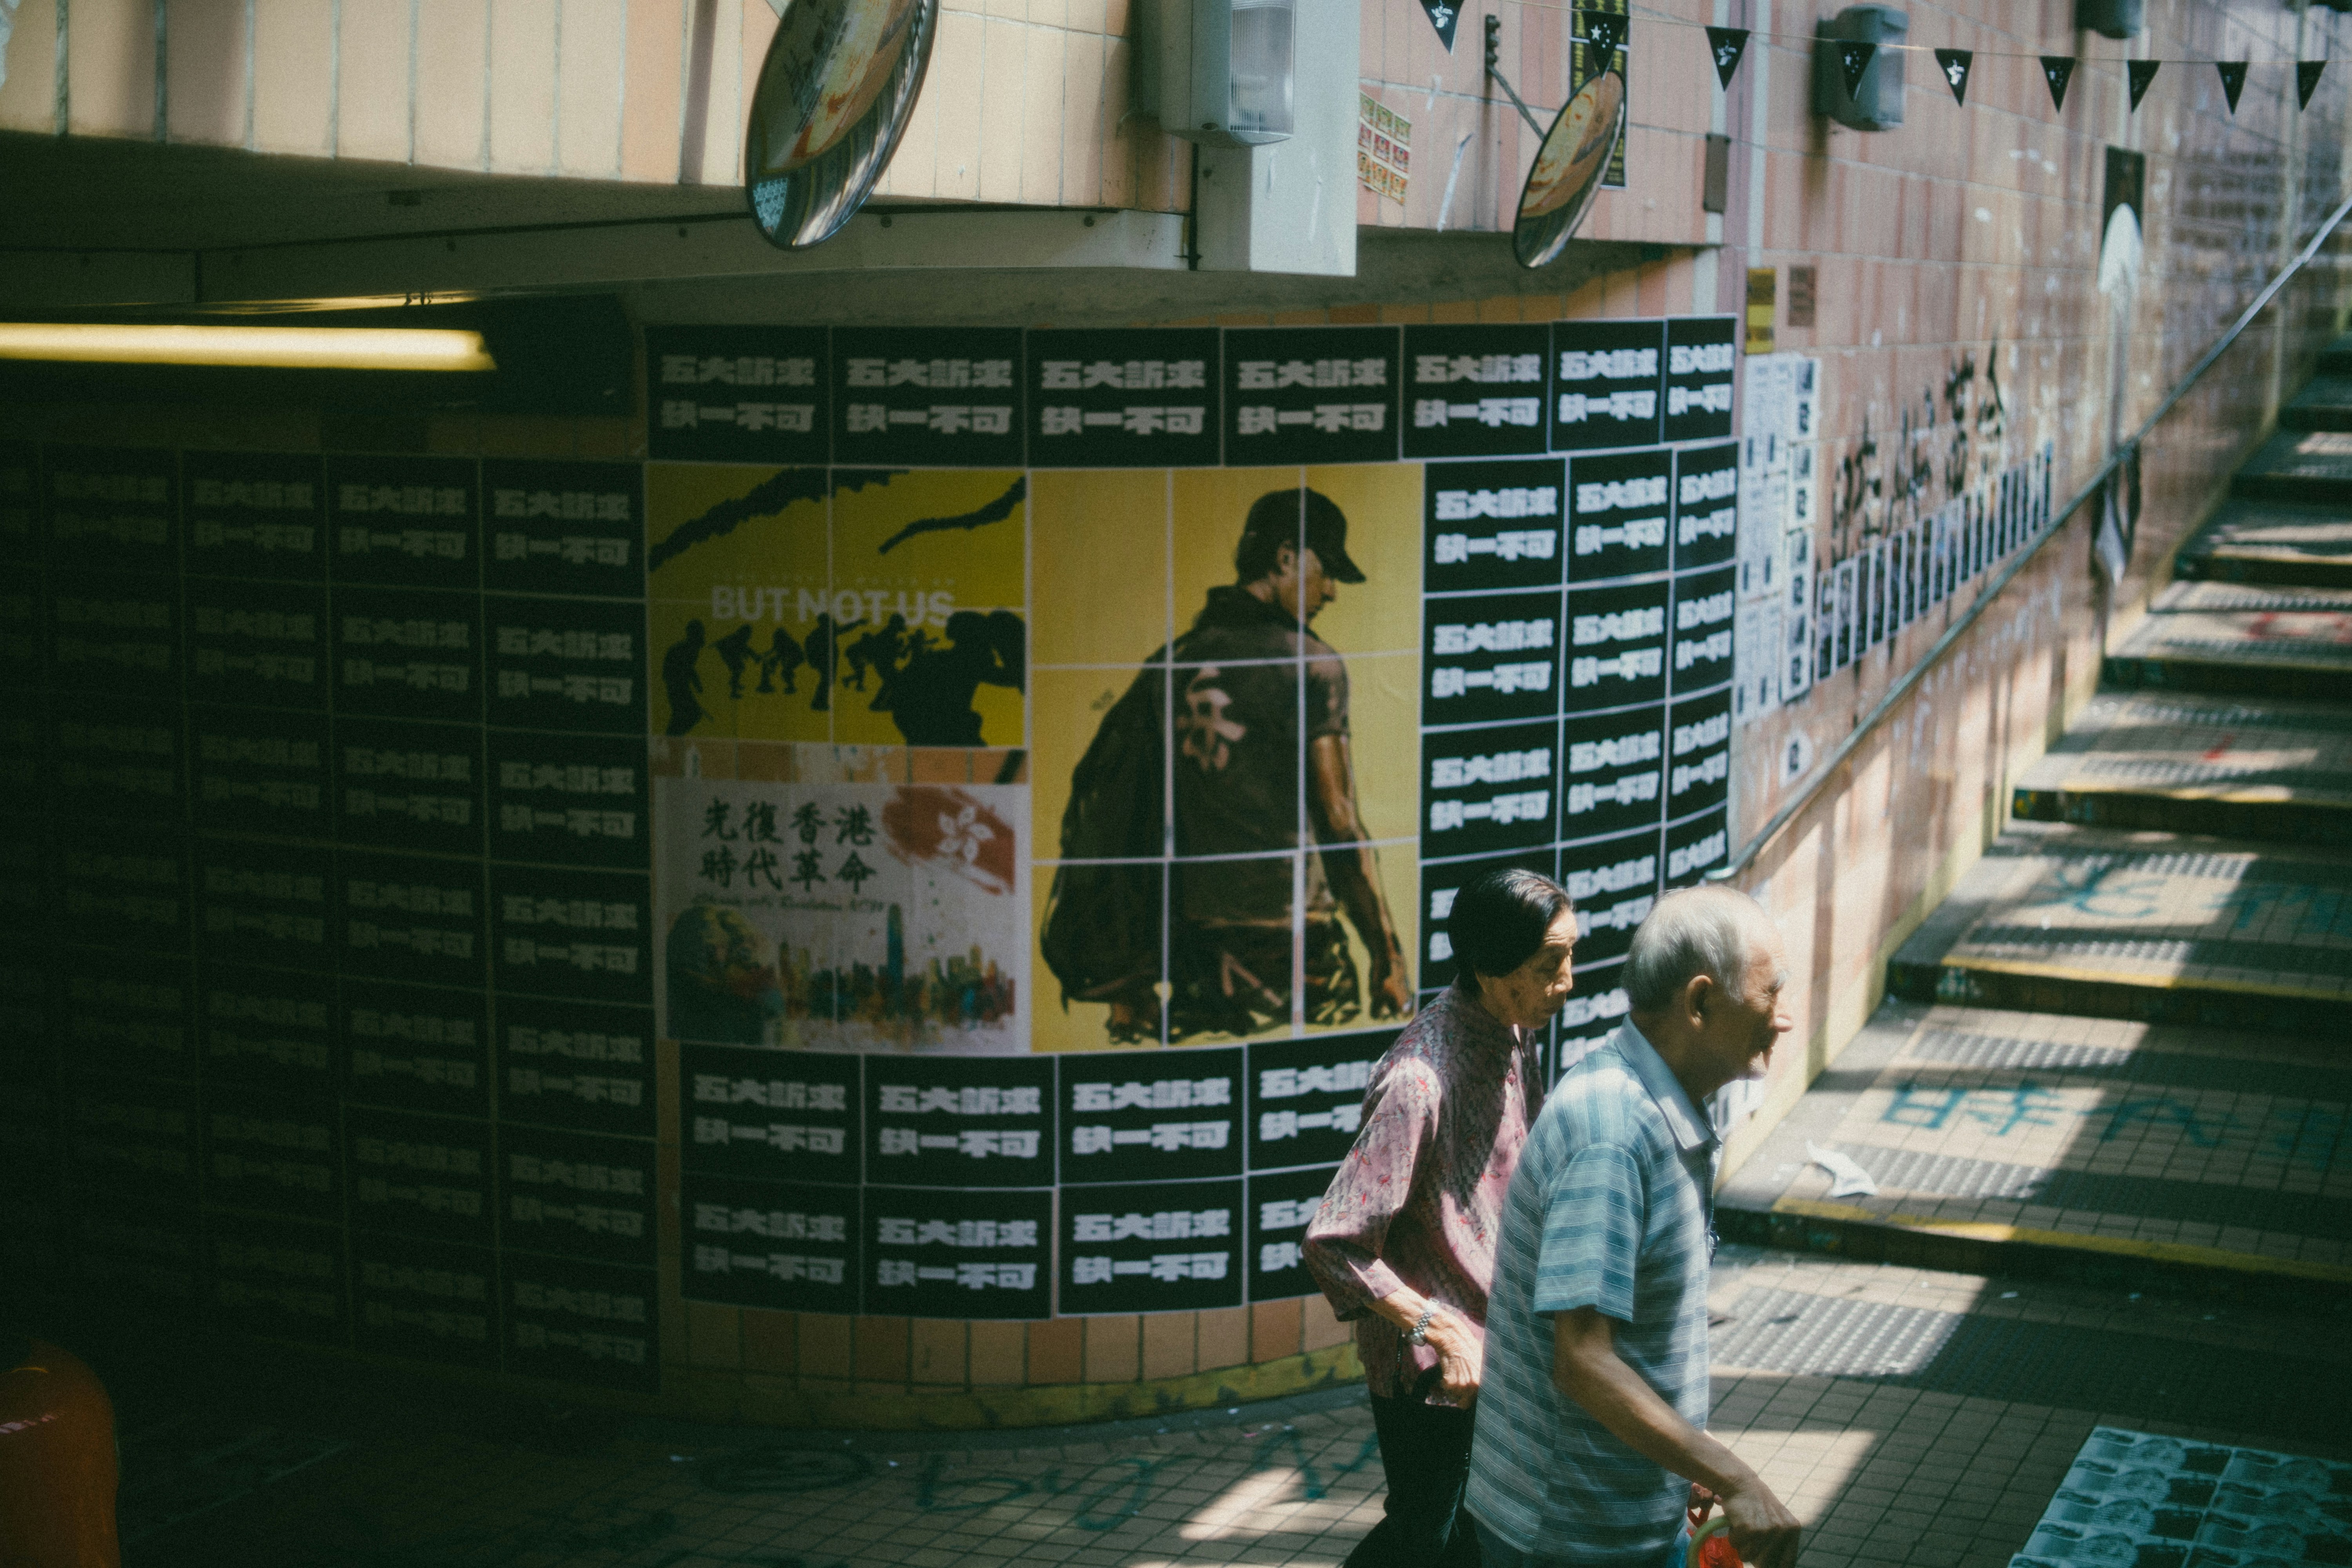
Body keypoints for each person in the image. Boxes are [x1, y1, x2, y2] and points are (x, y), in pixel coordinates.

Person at [1465, 887, 1803, 1568]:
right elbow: (1583, 1360)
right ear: (1701, 1003)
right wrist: (1736, 1476)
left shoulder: (1656, 1103)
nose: (1785, 1019)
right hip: (1564, 1539)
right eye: (1771, 995)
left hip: (1625, 1526)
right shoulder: (1612, 1135)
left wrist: (1685, 1460)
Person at [1041, 487, 1410, 1041]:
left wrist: (1125, 981)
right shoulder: (1311, 665)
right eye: (1326, 568)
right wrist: (1386, 952)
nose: (1331, 590)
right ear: (1286, 557)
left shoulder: (1171, 664)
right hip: (1291, 945)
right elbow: (1339, 822)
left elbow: (1117, 811)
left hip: (1194, 951)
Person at [1304, 866, 1579, 1568]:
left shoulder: (1513, 1028)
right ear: (1492, 969)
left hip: (1501, 1344)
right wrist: (1439, 1329)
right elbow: (1334, 1243)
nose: (1568, 980)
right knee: (1427, 1538)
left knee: (1451, 1539)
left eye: (1569, 957)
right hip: (1433, 1369)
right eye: (1551, 964)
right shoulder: (1417, 1082)